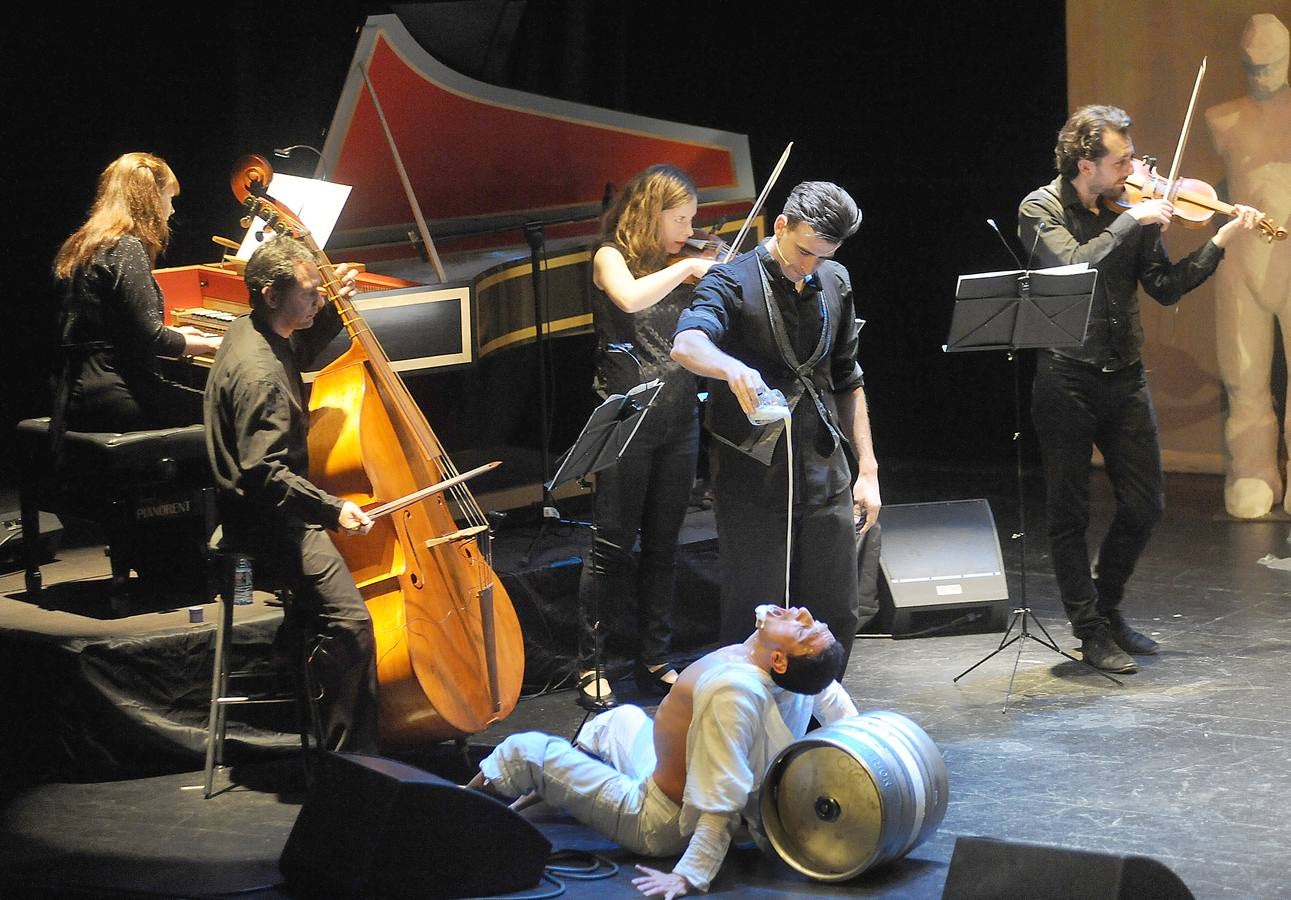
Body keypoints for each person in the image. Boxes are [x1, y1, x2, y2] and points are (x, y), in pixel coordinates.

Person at [1019, 105, 1267, 674]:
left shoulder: (1134, 207)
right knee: (1068, 513)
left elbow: (1165, 286)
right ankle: (1088, 631)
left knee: (1145, 504)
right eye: (1124, 160)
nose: (1138, 169)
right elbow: (1074, 265)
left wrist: (1221, 239)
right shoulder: (1041, 209)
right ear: (1088, 165)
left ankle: (1108, 610)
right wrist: (1135, 221)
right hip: (1066, 377)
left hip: (1124, 375)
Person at [472, 604, 857, 896]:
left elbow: (720, 792)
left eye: (803, 628)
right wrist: (861, 758)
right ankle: (555, 794)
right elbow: (832, 697)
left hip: (660, 819)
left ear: (779, 659)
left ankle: (454, 802)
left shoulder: (734, 691)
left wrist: (689, 874)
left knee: (526, 751)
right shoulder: (785, 665)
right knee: (617, 719)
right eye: (810, 621)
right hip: (664, 768)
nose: (803, 612)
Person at [671, 182, 877, 668]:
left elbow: (848, 379)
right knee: (754, 617)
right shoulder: (732, 279)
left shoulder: (835, 280)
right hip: (754, 474)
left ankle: (823, 729)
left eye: (822, 256)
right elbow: (687, 344)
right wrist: (730, 367)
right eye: (803, 251)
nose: (809, 266)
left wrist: (867, 470)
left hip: (826, 468)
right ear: (780, 225)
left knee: (835, 616)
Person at [204, 235, 378, 753]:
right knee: (351, 621)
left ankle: (304, 669)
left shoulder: (251, 331)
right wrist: (332, 509)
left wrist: (328, 311)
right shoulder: (261, 377)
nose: (318, 299)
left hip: (251, 511)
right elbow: (266, 475)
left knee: (329, 608)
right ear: (270, 294)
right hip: (263, 527)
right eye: (309, 293)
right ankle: (352, 765)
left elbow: (295, 346)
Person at [575, 164, 718, 710]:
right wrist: (687, 270)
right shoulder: (611, 256)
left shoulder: (682, 262)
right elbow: (631, 300)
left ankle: (655, 656)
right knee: (610, 545)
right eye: (679, 219)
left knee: (664, 545)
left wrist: (709, 269)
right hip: (627, 421)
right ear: (650, 212)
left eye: (691, 221)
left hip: (679, 417)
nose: (687, 230)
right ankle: (591, 663)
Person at [52, 152, 221, 432]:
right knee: (228, 412)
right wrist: (212, 343)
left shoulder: (81, 243)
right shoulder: (126, 247)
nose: (172, 210)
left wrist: (181, 335)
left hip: (71, 391)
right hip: (117, 391)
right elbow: (153, 337)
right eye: (170, 198)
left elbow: (118, 328)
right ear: (151, 199)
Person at [1204, 13, 1291, 519]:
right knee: (1244, 376)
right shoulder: (1224, 116)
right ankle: (1254, 471)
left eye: (1272, 65)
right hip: (1242, 259)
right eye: (1253, 68)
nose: (1262, 76)